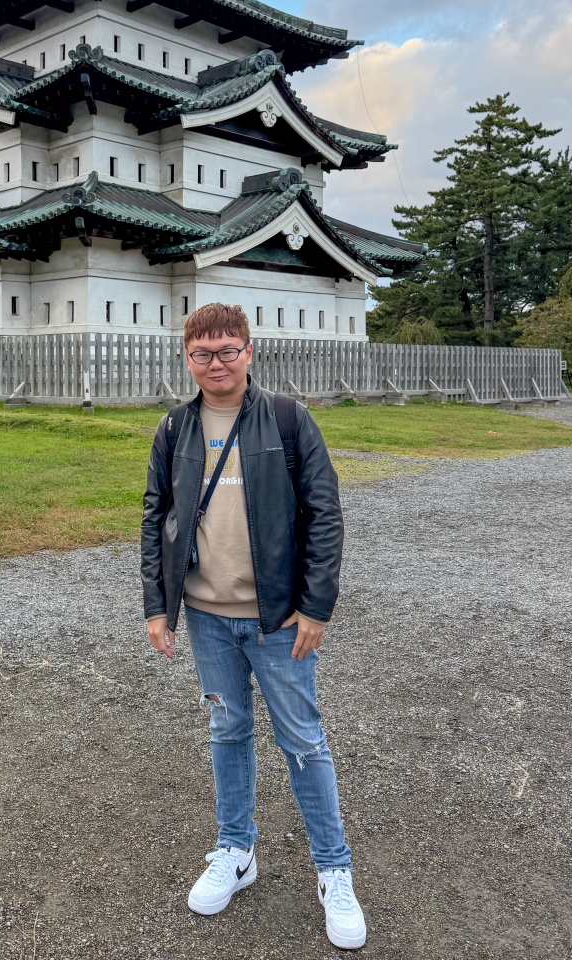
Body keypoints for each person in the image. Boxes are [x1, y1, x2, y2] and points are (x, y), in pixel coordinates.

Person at [140, 302, 366, 950]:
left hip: (277, 621)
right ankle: (235, 851)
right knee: (227, 730)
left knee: (302, 740)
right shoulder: (173, 429)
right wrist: (156, 608)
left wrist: (316, 606)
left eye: (227, 350)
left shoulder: (290, 421)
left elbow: (324, 515)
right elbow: (156, 519)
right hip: (207, 616)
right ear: (187, 359)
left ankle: (333, 868)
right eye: (203, 353)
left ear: (248, 351)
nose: (216, 363)